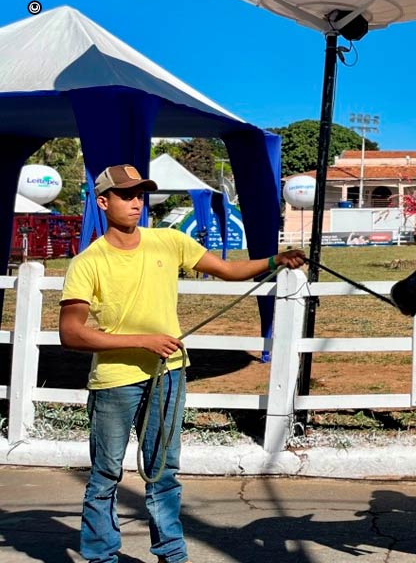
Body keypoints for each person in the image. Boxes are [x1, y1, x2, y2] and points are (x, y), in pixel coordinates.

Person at [58, 164, 306, 563]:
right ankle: (102, 557)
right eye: (125, 195)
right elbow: (71, 333)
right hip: (115, 382)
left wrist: (275, 260)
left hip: (168, 376)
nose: (135, 202)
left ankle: (171, 555)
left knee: (164, 474)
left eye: (140, 194)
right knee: (106, 476)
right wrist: (143, 341)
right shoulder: (89, 262)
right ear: (103, 202)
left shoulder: (169, 241)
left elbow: (228, 270)